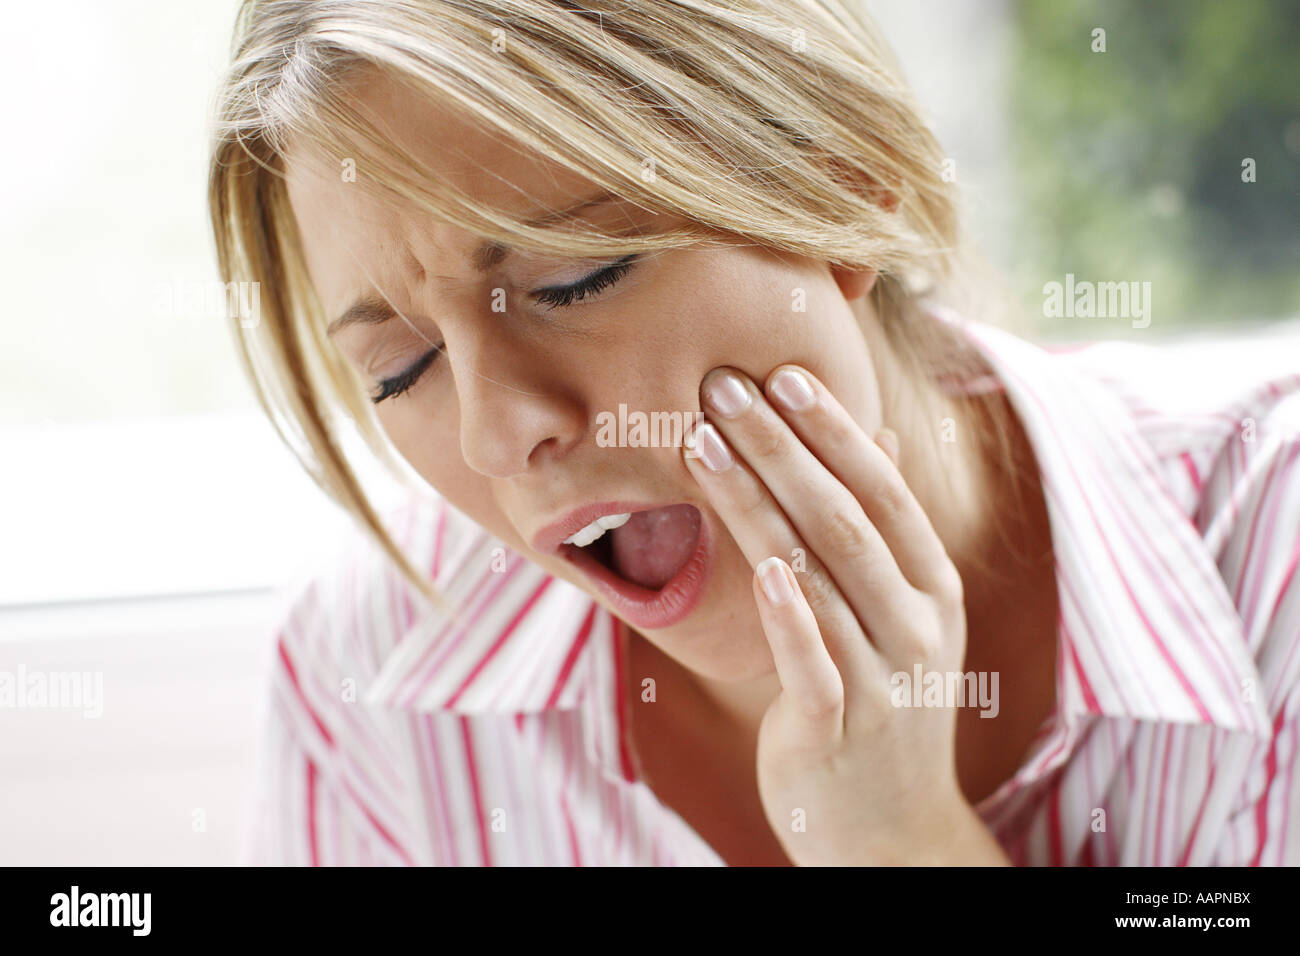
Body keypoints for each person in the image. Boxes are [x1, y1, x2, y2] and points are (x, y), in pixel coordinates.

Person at [210, 0, 1300, 865]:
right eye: (401, 369)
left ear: (839, 187)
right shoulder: (363, 675)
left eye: (575, 279)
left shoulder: (1273, 546)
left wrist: (896, 845)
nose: (503, 434)